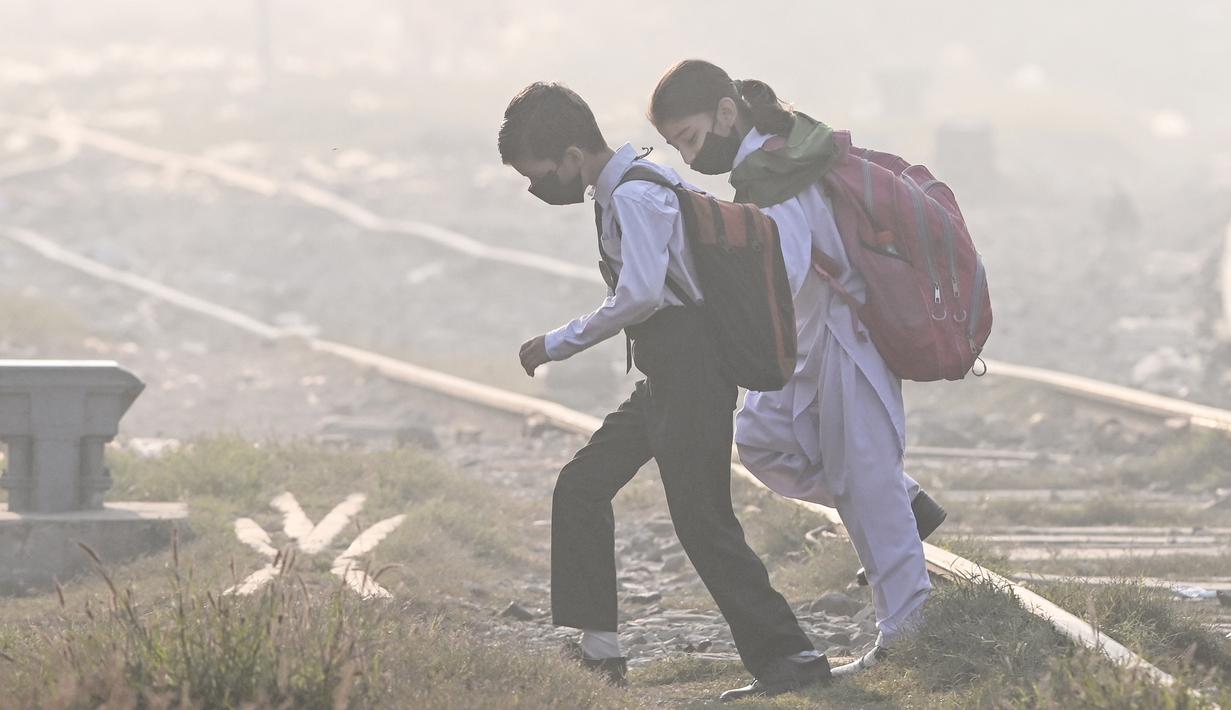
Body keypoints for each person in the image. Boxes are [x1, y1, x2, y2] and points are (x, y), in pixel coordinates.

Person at [498, 81, 830, 699]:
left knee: (703, 520)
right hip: (666, 374)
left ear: (572, 157)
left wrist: (557, 343)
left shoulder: (635, 196)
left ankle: (793, 656)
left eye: (540, 175)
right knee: (582, 486)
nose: (539, 189)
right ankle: (599, 652)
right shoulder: (631, 183)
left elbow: (642, 293)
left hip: (691, 372)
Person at [648, 59, 948, 675]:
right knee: (763, 440)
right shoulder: (770, 161)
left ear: (726, 114)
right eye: (679, 146)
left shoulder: (770, 173)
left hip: (843, 335)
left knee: (865, 479)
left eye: (693, 139)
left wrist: (718, 304)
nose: (689, 155)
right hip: (811, 342)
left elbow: (782, 269)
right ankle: (906, 506)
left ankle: (913, 630)